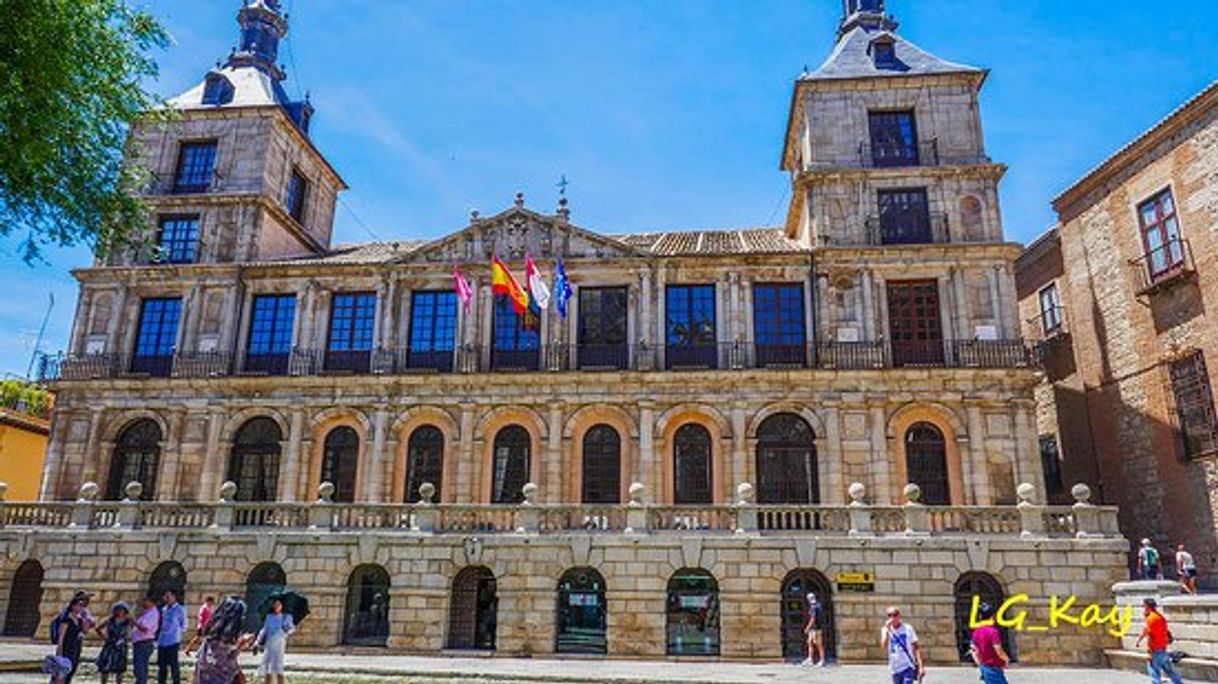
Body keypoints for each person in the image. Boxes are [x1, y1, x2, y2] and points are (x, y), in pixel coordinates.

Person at [193, 596, 256, 684]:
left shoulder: (211, 633)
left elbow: (199, 661)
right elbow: (226, 664)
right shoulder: (225, 640)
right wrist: (240, 646)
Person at [1136, 598, 1184, 684]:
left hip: (1155, 650)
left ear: (1147, 606)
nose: (1143, 608)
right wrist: (1139, 640)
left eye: (1143, 606)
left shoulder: (1151, 619)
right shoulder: (1160, 617)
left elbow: (1151, 636)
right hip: (1163, 648)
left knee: (1154, 672)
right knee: (1170, 671)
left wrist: (1150, 652)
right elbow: (1166, 631)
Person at [256, 598, 296, 684]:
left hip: (279, 644)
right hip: (269, 644)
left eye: (278, 604)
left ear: (282, 606)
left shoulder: (286, 617)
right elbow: (264, 630)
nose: (276, 606)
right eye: (275, 604)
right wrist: (258, 641)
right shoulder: (269, 617)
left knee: (279, 666)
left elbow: (292, 629)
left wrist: (287, 630)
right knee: (268, 666)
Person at [970, 602, 1011, 684]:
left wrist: (980, 664)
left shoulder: (976, 631)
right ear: (993, 617)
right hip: (994, 668)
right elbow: (998, 649)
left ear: (980, 617)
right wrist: (1006, 659)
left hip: (985, 668)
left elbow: (973, 650)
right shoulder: (993, 632)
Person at [881, 606, 923, 684]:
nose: (893, 617)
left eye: (895, 615)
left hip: (907, 666)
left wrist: (920, 667)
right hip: (894, 668)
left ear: (899, 616)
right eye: (890, 615)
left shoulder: (908, 628)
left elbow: (916, 647)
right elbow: (884, 646)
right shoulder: (885, 630)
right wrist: (887, 630)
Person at [53, 593, 88, 684]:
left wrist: (85, 618)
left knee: (71, 672)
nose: (81, 608)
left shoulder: (80, 620)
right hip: (66, 649)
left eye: (82, 606)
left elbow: (85, 631)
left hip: (76, 649)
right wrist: (59, 651)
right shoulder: (66, 619)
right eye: (79, 605)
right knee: (62, 674)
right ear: (73, 605)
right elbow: (61, 637)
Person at [96, 602, 133, 684]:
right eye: (118, 610)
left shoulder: (128, 621)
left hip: (121, 647)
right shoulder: (109, 621)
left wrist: (127, 638)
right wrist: (105, 638)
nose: (119, 612)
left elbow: (133, 631)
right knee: (105, 667)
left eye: (122, 610)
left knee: (120, 669)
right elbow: (98, 629)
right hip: (110, 645)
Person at [157, 590, 187, 684]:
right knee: (162, 666)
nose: (166, 599)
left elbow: (184, 625)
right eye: (165, 597)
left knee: (174, 665)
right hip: (162, 640)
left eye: (168, 596)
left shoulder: (180, 609)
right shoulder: (164, 609)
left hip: (173, 641)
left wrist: (176, 632)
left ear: (174, 597)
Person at [131, 596, 160, 684]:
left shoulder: (152, 614)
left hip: (143, 643)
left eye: (145, 601)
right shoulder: (146, 613)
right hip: (140, 642)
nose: (143, 603)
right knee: (140, 668)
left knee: (140, 668)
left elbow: (145, 629)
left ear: (151, 602)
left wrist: (133, 622)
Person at [800, 593, 825, 667]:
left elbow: (813, 619)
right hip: (814, 628)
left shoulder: (814, 607)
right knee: (809, 642)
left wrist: (807, 627)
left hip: (816, 628)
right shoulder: (818, 605)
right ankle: (810, 659)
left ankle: (822, 660)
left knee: (818, 644)